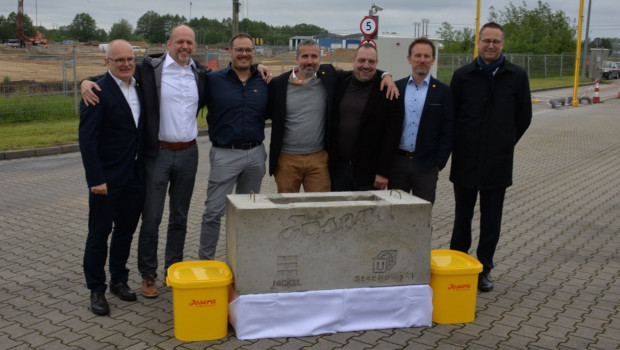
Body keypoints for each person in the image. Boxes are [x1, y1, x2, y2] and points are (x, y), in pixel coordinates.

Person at [82, 25, 207, 299]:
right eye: (179, 41)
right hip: (157, 153)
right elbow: (113, 73)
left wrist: (258, 67)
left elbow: (234, 74)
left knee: (179, 217)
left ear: (195, 46)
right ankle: (146, 275)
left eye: (190, 42)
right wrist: (84, 82)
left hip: (189, 153)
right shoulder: (150, 69)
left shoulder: (200, 73)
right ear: (168, 43)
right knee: (151, 217)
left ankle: (173, 270)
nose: (184, 46)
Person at [449, 22, 532, 292]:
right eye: (486, 40)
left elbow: (524, 117)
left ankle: (485, 268)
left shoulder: (517, 76)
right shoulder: (462, 76)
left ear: (503, 44)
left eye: (496, 41)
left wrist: (504, 144)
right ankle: (458, 264)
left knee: (491, 219)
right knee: (462, 217)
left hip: (498, 163)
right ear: (478, 42)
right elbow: (454, 116)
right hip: (465, 161)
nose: (491, 45)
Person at [268, 39, 398, 193]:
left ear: (320, 59)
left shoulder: (328, 77)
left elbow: (361, 71)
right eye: (305, 56)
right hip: (286, 159)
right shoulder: (278, 84)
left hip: (319, 158)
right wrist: (258, 66)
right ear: (296, 59)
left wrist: (386, 75)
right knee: (287, 207)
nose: (310, 61)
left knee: (322, 207)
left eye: (314, 57)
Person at [78, 39, 145, 316]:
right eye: (119, 60)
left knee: (125, 232)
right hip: (106, 180)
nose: (127, 63)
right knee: (99, 234)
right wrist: (96, 179)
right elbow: (88, 140)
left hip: (135, 176)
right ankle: (96, 288)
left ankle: (119, 279)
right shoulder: (97, 91)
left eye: (130, 58)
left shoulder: (140, 87)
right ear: (107, 62)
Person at [198, 33, 269, 260]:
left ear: (253, 53)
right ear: (229, 52)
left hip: (255, 155)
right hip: (224, 155)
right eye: (239, 49)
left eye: (248, 50)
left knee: (247, 213)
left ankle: (241, 263)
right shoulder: (213, 80)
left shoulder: (263, 80)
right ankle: (207, 262)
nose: (244, 54)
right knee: (213, 212)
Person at [330, 43, 403, 191]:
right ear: (353, 60)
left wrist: (383, 172)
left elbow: (392, 137)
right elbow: (321, 70)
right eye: (361, 60)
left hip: (369, 174)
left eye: (371, 62)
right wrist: (386, 73)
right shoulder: (340, 82)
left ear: (377, 63)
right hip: (338, 170)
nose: (366, 65)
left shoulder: (388, 92)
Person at [390, 38, 454, 204]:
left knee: (422, 217)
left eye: (427, 56)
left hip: (426, 166)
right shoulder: (397, 88)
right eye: (417, 55)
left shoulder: (443, 92)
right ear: (409, 58)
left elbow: (448, 130)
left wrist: (438, 163)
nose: (422, 60)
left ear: (433, 60)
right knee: (396, 215)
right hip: (397, 164)